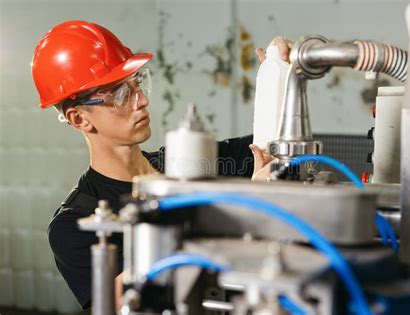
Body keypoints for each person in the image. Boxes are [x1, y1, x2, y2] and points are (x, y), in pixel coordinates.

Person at [31, 20, 268, 309]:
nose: (141, 100)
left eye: (138, 84)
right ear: (80, 119)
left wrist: (280, 80)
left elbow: (270, 142)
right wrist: (249, 207)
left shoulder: (184, 163)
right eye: (120, 93)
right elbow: (120, 303)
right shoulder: (76, 225)